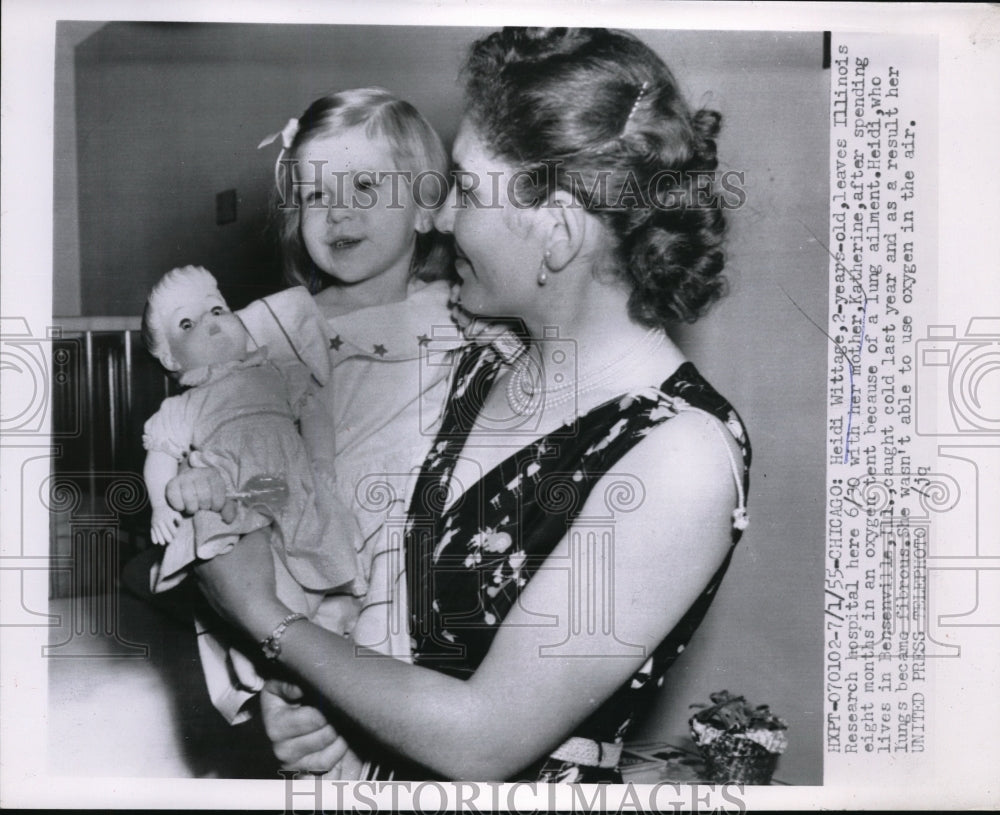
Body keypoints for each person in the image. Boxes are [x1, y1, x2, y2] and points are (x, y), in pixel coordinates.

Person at [173, 27, 751, 783]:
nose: (440, 218)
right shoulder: (473, 354)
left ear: (559, 231)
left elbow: (483, 738)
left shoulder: (683, 456)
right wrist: (319, 702)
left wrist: (264, 617)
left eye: (468, 191)